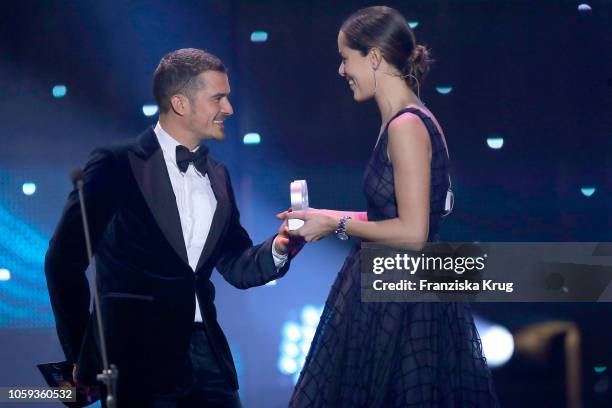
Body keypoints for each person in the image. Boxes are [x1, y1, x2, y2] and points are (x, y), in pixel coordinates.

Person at [44, 48, 303, 408]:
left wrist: (279, 246)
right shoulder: (116, 164)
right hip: (136, 360)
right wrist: (81, 357)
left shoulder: (218, 175)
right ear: (180, 103)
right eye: (218, 98)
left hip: (207, 357)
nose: (228, 109)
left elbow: (235, 262)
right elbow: (63, 261)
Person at [284, 6, 499, 407]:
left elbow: (413, 233)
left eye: (346, 58)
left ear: (375, 58)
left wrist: (337, 226)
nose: (341, 70)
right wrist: (325, 217)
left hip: (406, 301)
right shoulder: (400, 121)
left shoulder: (407, 126)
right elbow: (393, 217)